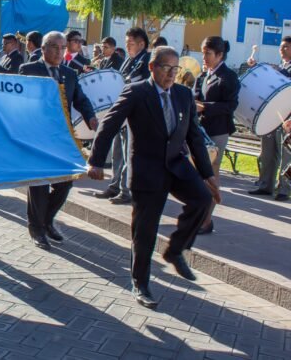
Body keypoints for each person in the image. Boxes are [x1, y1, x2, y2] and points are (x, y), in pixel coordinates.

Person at [86, 46, 218, 309]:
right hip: (148, 169)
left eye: (174, 69)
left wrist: (208, 175)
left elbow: (194, 136)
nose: (170, 74)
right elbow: (109, 124)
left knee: (203, 200)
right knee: (145, 231)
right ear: (152, 67)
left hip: (177, 165)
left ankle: (175, 249)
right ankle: (141, 283)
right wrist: (96, 161)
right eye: (165, 68)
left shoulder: (182, 94)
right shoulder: (137, 92)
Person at [19, 32, 97, 250]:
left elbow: (81, 99)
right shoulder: (29, 70)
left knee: (65, 180)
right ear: (43, 49)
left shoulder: (69, 74)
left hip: (61, 137)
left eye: (63, 48)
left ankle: (46, 219)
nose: (59, 52)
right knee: (40, 184)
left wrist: (91, 117)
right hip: (36, 137)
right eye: (54, 47)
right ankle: (37, 229)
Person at [94, 27, 151, 204]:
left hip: (135, 113)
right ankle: (114, 185)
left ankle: (126, 190)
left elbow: (138, 82)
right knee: (118, 150)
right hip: (123, 111)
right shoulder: (129, 60)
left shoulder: (146, 61)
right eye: (126, 43)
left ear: (141, 44)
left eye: (130, 43)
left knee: (128, 153)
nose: (127, 47)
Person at [194, 36, 239, 233]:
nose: (204, 57)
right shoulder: (205, 74)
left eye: (208, 54)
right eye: (203, 53)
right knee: (200, 174)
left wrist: (205, 107)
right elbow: (196, 95)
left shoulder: (228, 77)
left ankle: (206, 220)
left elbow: (230, 106)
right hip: (201, 129)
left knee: (210, 173)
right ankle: (200, 217)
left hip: (218, 130)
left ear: (220, 55)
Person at [248, 35, 291, 200]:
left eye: (286, 47)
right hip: (271, 117)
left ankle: (284, 190)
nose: (282, 49)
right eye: (281, 47)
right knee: (267, 153)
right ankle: (266, 185)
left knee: (287, 156)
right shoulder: (280, 67)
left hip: (287, 119)